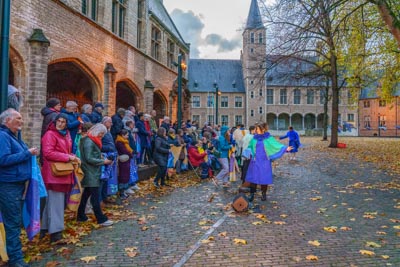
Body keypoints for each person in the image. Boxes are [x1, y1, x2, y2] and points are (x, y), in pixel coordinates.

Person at [0, 108, 38, 267]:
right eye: (18, 118)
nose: (21, 121)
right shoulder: (3, 136)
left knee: (14, 221)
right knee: (13, 222)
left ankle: (14, 255)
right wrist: (28, 153)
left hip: (16, 184)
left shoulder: (14, 136)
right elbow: (3, 159)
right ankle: (15, 260)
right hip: (9, 185)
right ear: (7, 120)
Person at [40, 113, 77, 243]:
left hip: (62, 173)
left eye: (63, 122)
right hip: (53, 174)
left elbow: (64, 151)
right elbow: (48, 153)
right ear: (55, 122)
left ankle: (45, 229)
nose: (61, 124)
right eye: (59, 121)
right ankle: (56, 233)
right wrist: (68, 157)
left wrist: (72, 156)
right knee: (56, 203)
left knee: (52, 203)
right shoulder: (50, 134)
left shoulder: (65, 134)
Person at [241, 123, 292, 201]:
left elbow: (276, 145)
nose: (255, 130)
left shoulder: (268, 138)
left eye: (257, 129)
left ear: (263, 130)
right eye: (255, 129)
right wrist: (248, 152)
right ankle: (252, 194)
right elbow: (250, 147)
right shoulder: (254, 138)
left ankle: (264, 194)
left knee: (264, 178)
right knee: (253, 178)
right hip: (255, 161)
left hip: (264, 161)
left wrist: (285, 148)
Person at [77, 124, 114, 226]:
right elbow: (89, 158)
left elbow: (91, 156)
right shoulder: (89, 141)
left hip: (91, 171)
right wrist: (104, 161)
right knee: (94, 197)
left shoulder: (89, 140)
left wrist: (100, 157)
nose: (102, 136)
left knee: (86, 195)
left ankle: (81, 215)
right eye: (101, 134)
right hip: (91, 172)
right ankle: (101, 219)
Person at [115, 129, 135, 199]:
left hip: (126, 161)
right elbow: (125, 151)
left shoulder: (124, 142)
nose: (128, 136)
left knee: (125, 176)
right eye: (127, 135)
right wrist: (131, 154)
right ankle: (122, 192)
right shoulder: (120, 142)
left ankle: (124, 191)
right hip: (123, 162)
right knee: (122, 177)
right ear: (123, 135)